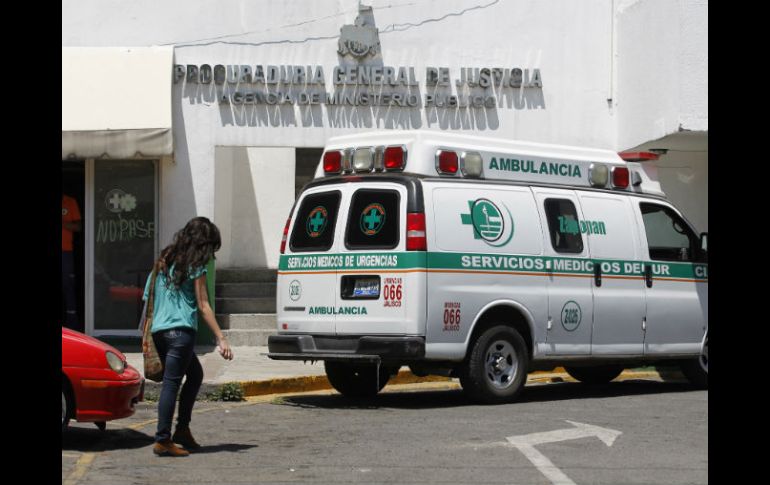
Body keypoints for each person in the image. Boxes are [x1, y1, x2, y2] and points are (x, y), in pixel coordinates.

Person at [143, 217, 234, 457]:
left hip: (160, 332)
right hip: (180, 332)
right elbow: (203, 305)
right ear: (204, 244)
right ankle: (163, 439)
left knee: (195, 375)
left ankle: (182, 430)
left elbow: (147, 297)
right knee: (172, 384)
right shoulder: (196, 266)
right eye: (211, 248)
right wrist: (221, 338)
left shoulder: (163, 262)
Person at [62, 194, 81, 330]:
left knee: (68, 287)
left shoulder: (70, 201)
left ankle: (72, 326)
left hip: (65, 252)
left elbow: (78, 227)